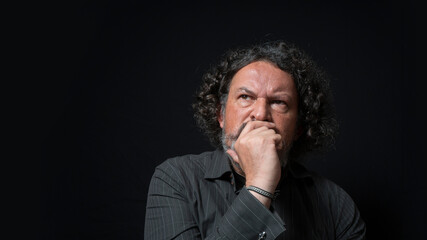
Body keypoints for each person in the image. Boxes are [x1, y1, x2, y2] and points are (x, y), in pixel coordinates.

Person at [144, 40, 366, 239]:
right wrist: (259, 185)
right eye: (245, 97)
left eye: (279, 102)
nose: (260, 114)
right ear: (220, 115)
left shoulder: (335, 204)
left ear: (299, 127)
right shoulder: (177, 180)